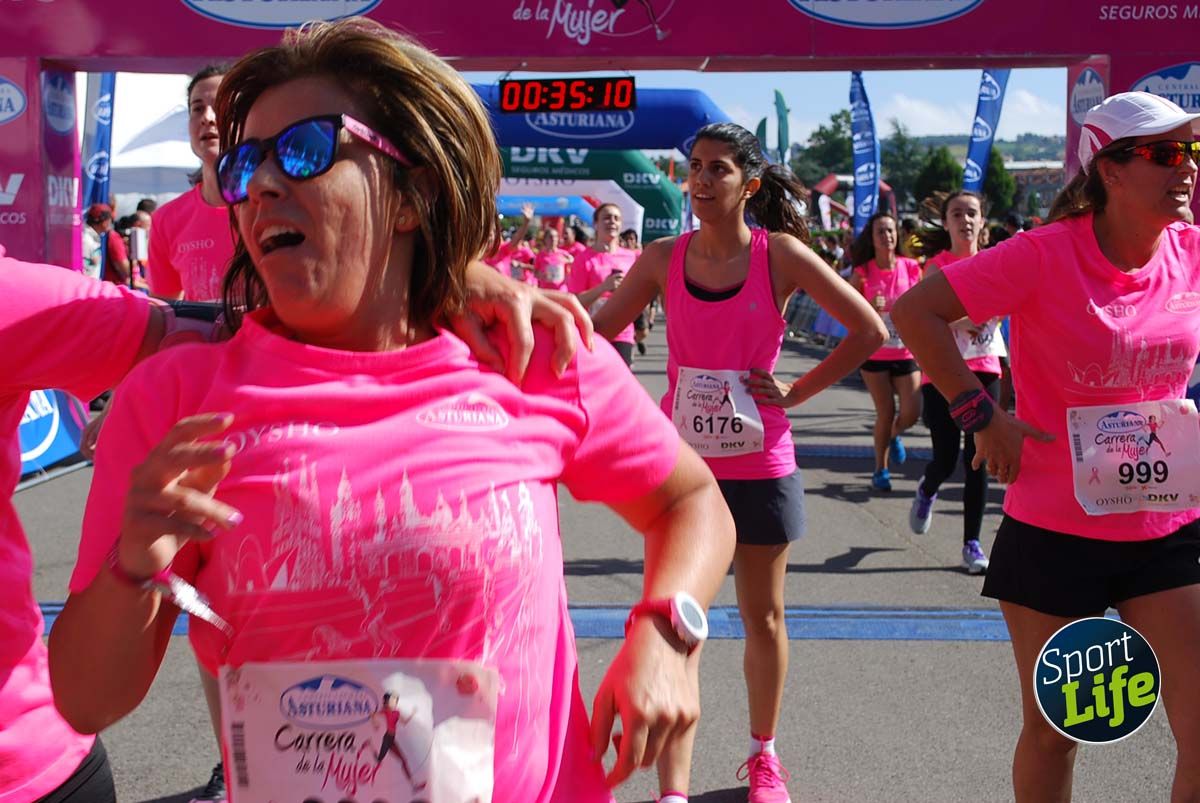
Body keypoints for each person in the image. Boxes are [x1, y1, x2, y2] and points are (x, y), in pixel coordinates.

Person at [48, 18, 734, 803]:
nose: (261, 183)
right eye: (244, 164)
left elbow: (690, 499)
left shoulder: (528, 352)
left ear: (413, 194)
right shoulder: (175, 403)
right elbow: (85, 700)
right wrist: (134, 563)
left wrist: (668, 630)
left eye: (303, 149)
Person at [892, 91, 1200, 803]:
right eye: (1165, 152)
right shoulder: (1043, 253)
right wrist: (980, 414)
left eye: (1192, 151)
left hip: (1166, 528)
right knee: (1059, 731)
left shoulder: (1190, 251)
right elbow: (916, 310)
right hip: (1057, 531)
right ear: (1110, 170)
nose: (1186, 167)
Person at [592, 122, 885, 803]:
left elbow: (868, 328)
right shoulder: (663, 257)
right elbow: (598, 336)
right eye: (695, 166)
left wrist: (797, 391)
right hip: (683, 473)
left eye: (718, 168)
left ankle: (763, 758)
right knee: (676, 623)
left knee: (764, 618)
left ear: (749, 184)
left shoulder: (778, 255)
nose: (701, 179)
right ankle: (673, 790)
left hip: (760, 464)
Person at [907, 191, 1005, 574]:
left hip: (985, 364)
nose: (965, 220)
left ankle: (972, 544)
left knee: (978, 456)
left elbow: (1010, 301)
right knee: (946, 459)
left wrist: (990, 313)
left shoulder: (996, 261)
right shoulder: (937, 267)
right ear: (946, 223)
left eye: (972, 213)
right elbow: (923, 313)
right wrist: (967, 318)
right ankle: (928, 488)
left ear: (982, 221)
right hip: (943, 369)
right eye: (957, 214)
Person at [146, 65, 234, 302]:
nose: (207, 117)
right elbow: (164, 310)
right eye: (197, 108)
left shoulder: (273, 204)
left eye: (220, 105)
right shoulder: (166, 220)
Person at [849, 211, 923, 492]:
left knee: (912, 412)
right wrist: (869, 307)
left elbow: (924, 302)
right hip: (875, 354)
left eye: (890, 230)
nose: (887, 236)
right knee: (886, 411)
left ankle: (893, 435)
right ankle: (881, 468)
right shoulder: (863, 271)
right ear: (872, 238)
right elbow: (846, 308)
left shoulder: (911, 267)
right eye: (880, 231)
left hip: (906, 351)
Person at [570, 203, 640, 365]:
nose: (612, 222)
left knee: (621, 380)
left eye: (616, 218)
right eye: (607, 218)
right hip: (591, 332)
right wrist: (603, 288)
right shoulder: (583, 259)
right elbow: (575, 302)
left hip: (623, 333)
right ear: (596, 224)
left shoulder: (632, 257)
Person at [84, 203, 131, 286]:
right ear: (105, 222)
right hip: (86, 287)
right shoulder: (86, 239)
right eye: (110, 220)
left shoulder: (94, 237)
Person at [534, 226, 574, 292]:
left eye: (556, 236)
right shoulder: (540, 255)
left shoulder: (564, 254)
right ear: (545, 239)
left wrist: (571, 262)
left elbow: (571, 269)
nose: (553, 239)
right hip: (546, 290)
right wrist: (541, 275)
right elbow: (535, 273)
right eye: (550, 237)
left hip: (561, 290)